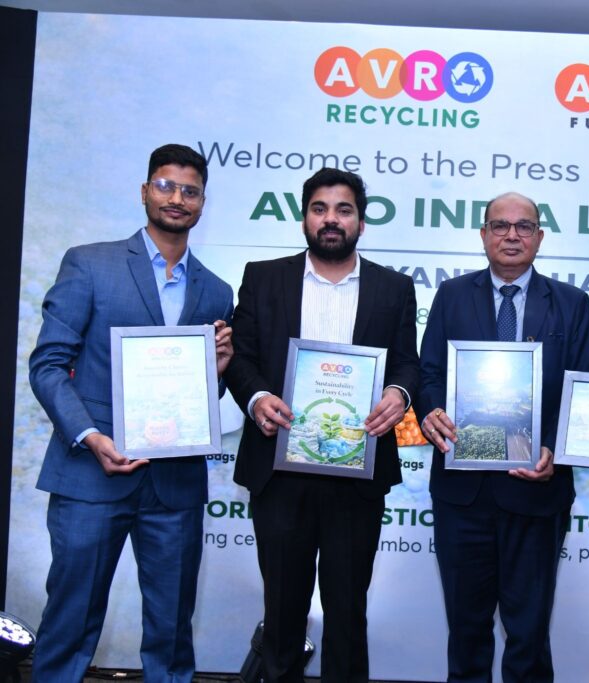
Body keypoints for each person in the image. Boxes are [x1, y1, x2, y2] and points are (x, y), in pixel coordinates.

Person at [28, 143, 234, 681]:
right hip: (90, 474)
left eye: (190, 190)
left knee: (170, 636)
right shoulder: (90, 263)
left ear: (203, 203)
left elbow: (193, 399)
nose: (177, 198)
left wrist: (216, 374)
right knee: (69, 625)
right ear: (145, 191)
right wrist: (89, 436)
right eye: (166, 185)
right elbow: (48, 365)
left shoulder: (216, 290)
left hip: (174, 486)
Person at [224, 168, 419, 682]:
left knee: (348, 610)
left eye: (343, 209)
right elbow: (241, 358)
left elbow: (407, 363)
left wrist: (399, 395)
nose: (330, 219)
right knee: (283, 611)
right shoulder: (263, 276)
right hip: (279, 471)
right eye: (320, 208)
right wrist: (258, 397)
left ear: (361, 220)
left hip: (358, 474)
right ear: (305, 215)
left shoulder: (393, 288)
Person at [417, 192, 589, 683]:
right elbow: (429, 372)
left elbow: (583, 391)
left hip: (536, 488)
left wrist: (555, 454)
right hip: (463, 492)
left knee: (528, 632)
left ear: (539, 237)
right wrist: (432, 408)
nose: (512, 235)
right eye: (500, 225)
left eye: (524, 226)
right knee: (467, 628)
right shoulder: (452, 295)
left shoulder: (571, 303)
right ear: (483, 234)